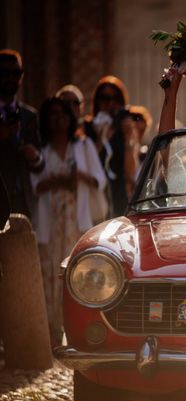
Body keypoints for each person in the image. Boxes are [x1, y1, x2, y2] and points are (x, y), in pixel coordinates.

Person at [31, 97, 107, 347]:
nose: (58, 119)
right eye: (52, 115)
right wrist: (56, 181)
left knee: (75, 272)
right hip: (51, 220)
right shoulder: (42, 150)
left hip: (76, 218)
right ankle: (53, 330)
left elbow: (99, 179)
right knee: (50, 273)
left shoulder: (82, 146)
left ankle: (76, 327)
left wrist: (78, 176)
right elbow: (34, 185)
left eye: (62, 114)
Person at [84, 76, 138, 217]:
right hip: (95, 193)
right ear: (97, 101)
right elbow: (88, 162)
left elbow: (130, 171)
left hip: (118, 193)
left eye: (116, 99)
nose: (111, 104)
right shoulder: (88, 128)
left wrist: (127, 138)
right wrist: (102, 138)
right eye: (105, 98)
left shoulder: (122, 130)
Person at [0, 49, 42, 219]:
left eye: (16, 73)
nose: (11, 78)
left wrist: (33, 156)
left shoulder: (29, 116)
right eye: (5, 73)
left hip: (23, 203)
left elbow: (41, 165)